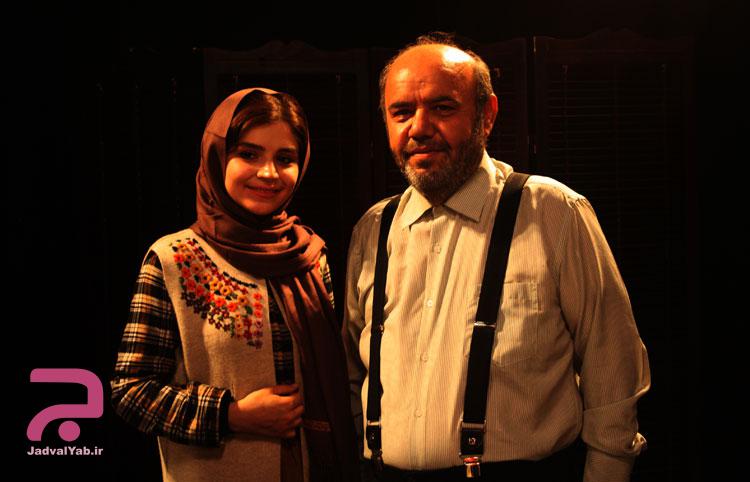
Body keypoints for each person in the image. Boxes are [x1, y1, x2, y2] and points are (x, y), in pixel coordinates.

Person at [342, 33, 650, 482]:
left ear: (486, 116)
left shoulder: (553, 212)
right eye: (401, 112)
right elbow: (351, 374)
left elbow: (613, 364)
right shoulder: (373, 229)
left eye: (442, 107)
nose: (419, 128)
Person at [111, 88, 359, 482]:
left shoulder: (310, 258)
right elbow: (131, 391)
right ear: (217, 157)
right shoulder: (172, 259)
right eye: (248, 154)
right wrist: (231, 415)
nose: (268, 173)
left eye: (285, 159)